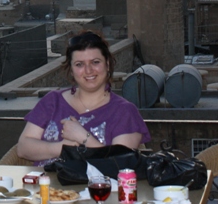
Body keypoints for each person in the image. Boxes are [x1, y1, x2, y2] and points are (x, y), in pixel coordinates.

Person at [17, 31, 151, 166]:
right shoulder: (53, 101)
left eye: (95, 62)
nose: (88, 70)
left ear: (108, 64)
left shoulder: (124, 112)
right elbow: (23, 148)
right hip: (45, 186)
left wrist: (84, 139)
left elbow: (121, 165)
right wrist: (63, 148)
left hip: (99, 187)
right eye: (79, 64)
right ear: (71, 69)